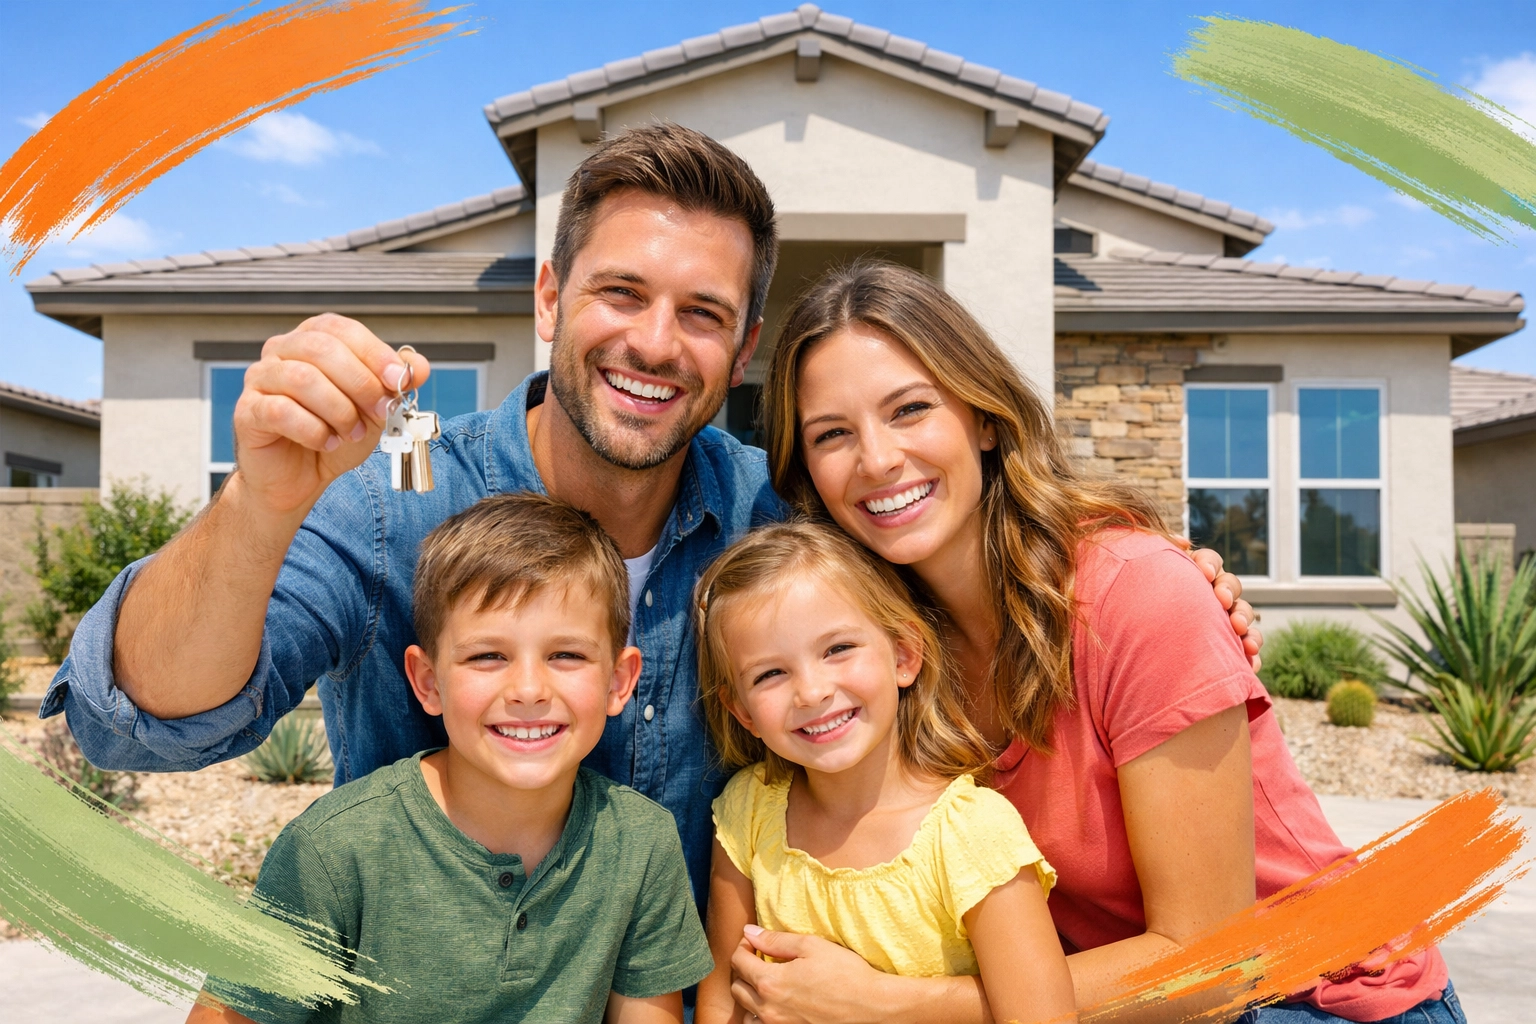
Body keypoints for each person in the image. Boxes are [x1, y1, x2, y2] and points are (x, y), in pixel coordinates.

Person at [45, 123, 1255, 920]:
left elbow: (946, 583)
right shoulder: (398, 497)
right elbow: (138, 726)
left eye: (702, 312)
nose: (654, 342)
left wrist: (1157, 581)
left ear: (738, 349)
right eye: (620, 292)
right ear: (549, 298)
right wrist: (259, 501)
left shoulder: (779, 516)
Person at [729, 259, 1461, 1024]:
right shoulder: (881, 648)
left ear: (983, 416)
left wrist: (893, 1006)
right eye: (832, 434)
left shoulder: (1137, 597)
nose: (877, 459)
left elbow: (1211, 965)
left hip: (1316, 997)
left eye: (910, 409)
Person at [187, 493, 713, 1024]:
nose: (528, 689)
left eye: (566, 655)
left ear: (619, 682)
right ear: (428, 681)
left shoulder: (643, 844)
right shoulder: (335, 851)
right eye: (488, 656)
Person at [692, 522, 1075, 1024]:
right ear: (742, 711)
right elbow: (722, 999)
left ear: (903, 655)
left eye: (837, 649)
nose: (811, 692)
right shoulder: (747, 812)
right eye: (770, 674)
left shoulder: (973, 835)